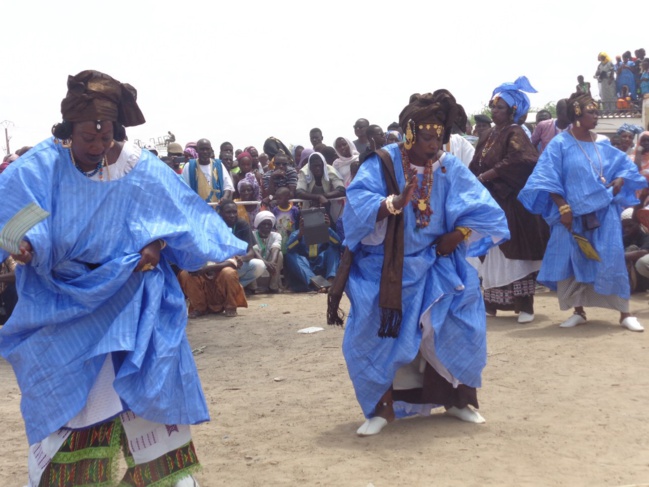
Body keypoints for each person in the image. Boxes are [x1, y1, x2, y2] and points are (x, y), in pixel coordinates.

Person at [0, 70, 250, 486]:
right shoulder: (40, 166)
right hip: (66, 307)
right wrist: (25, 244)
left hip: (135, 304)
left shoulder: (137, 166)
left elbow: (177, 219)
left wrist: (158, 246)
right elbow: (19, 219)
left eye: (105, 138)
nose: (97, 147)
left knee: (148, 408)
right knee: (72, 408)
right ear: (67, 131)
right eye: (87, 139)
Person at [330, 90, 509, 436]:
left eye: (439, 136)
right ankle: (382, 409)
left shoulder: (447, 166)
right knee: (373, 328)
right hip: (385, 266)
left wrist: (459, 233)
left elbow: (484, 209)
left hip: (438, 262)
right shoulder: (380, 163)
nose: (434, 143)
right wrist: (393, 203)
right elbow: (356, 209)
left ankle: (458, 401)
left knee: (462, 313)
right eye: (427, 136)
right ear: (409, 133)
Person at [519, 92, 647, 332]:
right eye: (592, 112)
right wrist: (563, 208)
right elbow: (547, 178)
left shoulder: (603, 143)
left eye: (597, 111)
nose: (596, 116)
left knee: (611, 258)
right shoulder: (560, 144)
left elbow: (625, 168)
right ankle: (578, 310)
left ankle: (625, 313)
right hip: (571, 215)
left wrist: (619, 180)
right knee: (574, 260)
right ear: (577, 113)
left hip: (604, 213)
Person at [469, 76, 549, 324]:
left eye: (499, 107)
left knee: (513, 254)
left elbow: (524, 159)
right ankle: (492, 304)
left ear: (513, 110)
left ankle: (524, 306)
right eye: (493, 106)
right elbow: (475, 165)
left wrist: (490, 174)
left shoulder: (515, 132)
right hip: (491, 202)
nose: (494, 111)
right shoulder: (489, 134)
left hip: (511, 203)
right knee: (493, 253)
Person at [177, 251, 248, 318]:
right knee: (185, 274)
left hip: (219, 279)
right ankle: (199, 308)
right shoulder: (193, 245)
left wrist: (206, 269)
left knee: (229, 273)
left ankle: (230, 307)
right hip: (201, 278)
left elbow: (232, 263)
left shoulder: (221, 242)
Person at [285, 211, 341, 292]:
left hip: (321, 265)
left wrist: (327, 228)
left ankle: (330, 280)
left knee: (333, 249)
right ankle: (317, 283)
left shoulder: (325, 232)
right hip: (306, 268)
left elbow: (338, 244)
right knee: (290, 255)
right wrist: (300, 235)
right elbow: (289, 249)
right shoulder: (297, 234)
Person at [218, 200, 266, 293]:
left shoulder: (242, 224)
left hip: (237, 263)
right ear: (221, 213)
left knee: (260, 265)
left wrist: (241, 259)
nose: (232, 215)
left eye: (234, 212)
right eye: (228, 212)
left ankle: (235, 288)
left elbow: (251, 252)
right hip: (219, 264)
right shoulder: (216, 225)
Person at [182, 138, 234, 204]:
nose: (205, 152)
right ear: (197, 150)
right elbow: (184, 188)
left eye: (207, 149)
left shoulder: (219, 165)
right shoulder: (189, 166)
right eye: (202, 149)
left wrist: (224, 198)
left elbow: (228, 186)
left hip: (217, 209)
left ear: (211, 150)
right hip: (198, 209)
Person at [295, 152, 346, 219]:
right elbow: (299, 192)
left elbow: (341, 189)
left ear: (323, 165)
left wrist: (324, 196)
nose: (317, 168)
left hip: (328, 205)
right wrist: (318, 197)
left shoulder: (330, 170)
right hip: (309, 207)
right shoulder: (304, 172)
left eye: (319, 166)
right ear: (310, 166)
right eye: (314, 166)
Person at [251, 211, 284, 293]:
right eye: (264, 224)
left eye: (269, 224)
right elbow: (254, 251)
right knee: (251, 257)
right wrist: (265, 263)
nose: (266, 226)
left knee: (279, 255)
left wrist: (272, 263)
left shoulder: (276, 235)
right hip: (257, 265)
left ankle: (273, 286)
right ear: (258, 225)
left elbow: (276, 248)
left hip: (271, 268)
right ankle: (253, 288)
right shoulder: (252, 234)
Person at [271, 186, 301, 255]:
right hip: (280, 234)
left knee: (290, 250)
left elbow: (297, 223)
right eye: (277, 198)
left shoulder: (294, 210)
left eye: (280, 198)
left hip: (291, 235)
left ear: (287, 198)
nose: (278, 200)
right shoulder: (275, 210)